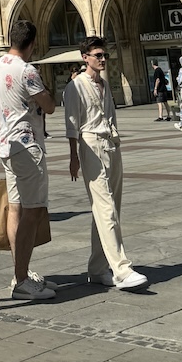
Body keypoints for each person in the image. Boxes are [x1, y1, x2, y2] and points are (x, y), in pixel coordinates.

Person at [63, 36, 147, 291]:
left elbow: (110, 115)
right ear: (85, 57)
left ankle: (98, 268)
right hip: (90, 145)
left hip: (111, 144)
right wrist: (74, 157)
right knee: (105, 208)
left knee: (109, 209)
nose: (102, 59)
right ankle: (121, 269)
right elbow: (71, 125)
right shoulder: (75, 86)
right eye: (97, 55)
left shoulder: (105, 84)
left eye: (104, 55)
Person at [0, 18, 56, 300]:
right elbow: (49, 106)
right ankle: (22, 280)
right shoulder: (27, 71)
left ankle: (20, 273)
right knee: (33, 211)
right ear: (32, 43)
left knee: (15, 208)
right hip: (28, 146)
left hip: (6, 144)